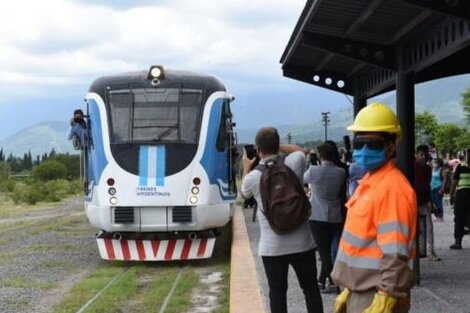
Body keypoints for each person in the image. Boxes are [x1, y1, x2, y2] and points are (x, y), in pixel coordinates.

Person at [331, 102, 417, 313]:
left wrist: (386, 296)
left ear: (391, 146)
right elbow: (363, 242)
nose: (364, 150)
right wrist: (349, 286)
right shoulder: (371, 182)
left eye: (374, 144)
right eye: (359, 144)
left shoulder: (392, 189)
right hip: (360, 289)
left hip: (376, 294)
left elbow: (395, 251)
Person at [241, 127, 323, 313]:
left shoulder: (253, 177)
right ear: (278, 145)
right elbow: (300, 151)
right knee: (310, 288)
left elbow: (243, 194)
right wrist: (277, 145)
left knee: (277, 293)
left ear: (257, 149)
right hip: (303, 243)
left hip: (272, 247)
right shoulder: (293, 164)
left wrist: (247, 165)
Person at [304, 143, 346, 294]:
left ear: (320, 156)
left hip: (317, 215)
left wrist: (310, 162)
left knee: (323, 251)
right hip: (335, 215)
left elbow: (304, 178)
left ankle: (334, 282)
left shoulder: (314, 171)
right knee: (327, 249)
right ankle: (321, 281)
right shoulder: (341, 172)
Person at [415, 144, 440, 261]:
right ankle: (419, 251)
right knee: (419, 229)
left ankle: (430, 251)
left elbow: (427, 185)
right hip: (414, 202)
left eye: (425, 155)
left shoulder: (427, 169)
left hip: (424, 201)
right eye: (421, 155)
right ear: (416, 155)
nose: (423, 157)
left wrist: (430, 200)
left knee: (429, 228)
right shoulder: (413, 167)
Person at [449, 153, 470, 250]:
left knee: (459, 218)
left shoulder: (461, 166)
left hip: (462, 194)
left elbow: (454, 182)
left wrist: (451, 195)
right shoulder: (460, 166)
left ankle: (458, 243)